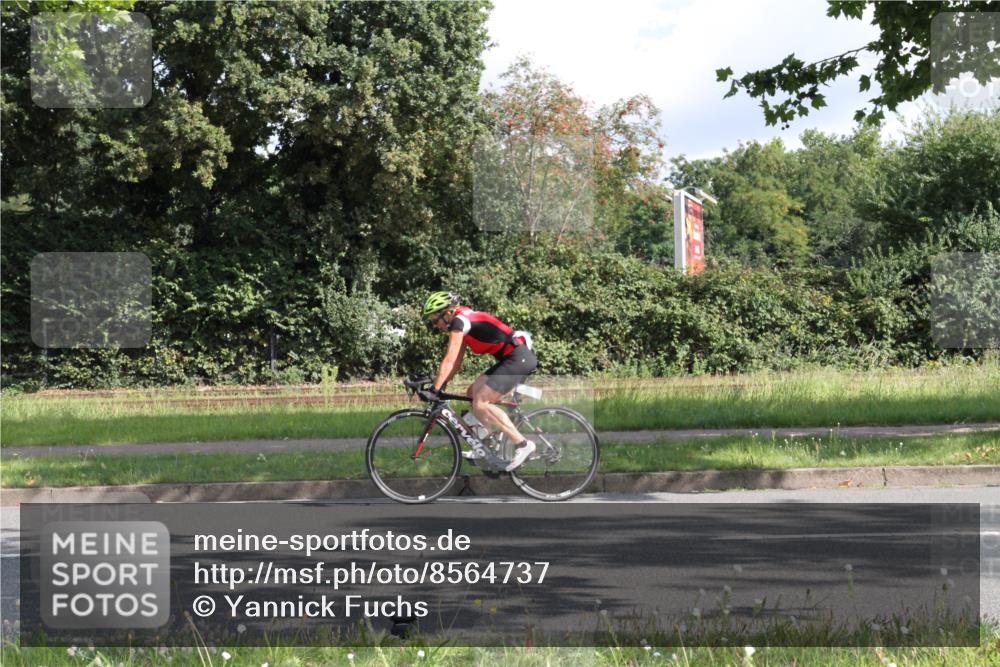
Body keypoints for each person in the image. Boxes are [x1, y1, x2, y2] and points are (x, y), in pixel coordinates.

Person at [420, 291, 537, 471]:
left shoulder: (459, 322)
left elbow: (449, 360)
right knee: (472, 393)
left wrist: (434, 390)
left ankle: (522, 445)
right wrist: (439, 385)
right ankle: (486, 446)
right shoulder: (462, 322)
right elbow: (456, 362)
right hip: (510, 358)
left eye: (436, 319)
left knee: (481, 402)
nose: (435, 325)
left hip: (518, 358)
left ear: (449, 313)